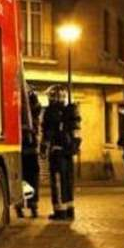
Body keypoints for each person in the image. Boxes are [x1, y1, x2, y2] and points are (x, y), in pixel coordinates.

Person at [41, 87, 74, 220]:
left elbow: (47, 132)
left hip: (57, 152)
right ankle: (70, 209)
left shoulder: (50, 112)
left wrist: (43, 147)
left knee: (58, 181)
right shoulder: (68, 111)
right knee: (68, 181)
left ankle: (60, 211)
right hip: (68, 153)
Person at [17, 85, 41, 218]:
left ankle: (29, 205)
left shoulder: (31, 107)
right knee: (28, 179)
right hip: (26, 149)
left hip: (27, 149)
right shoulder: (28, 106)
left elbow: (37, 110)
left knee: (26, 178)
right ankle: (26, 205)